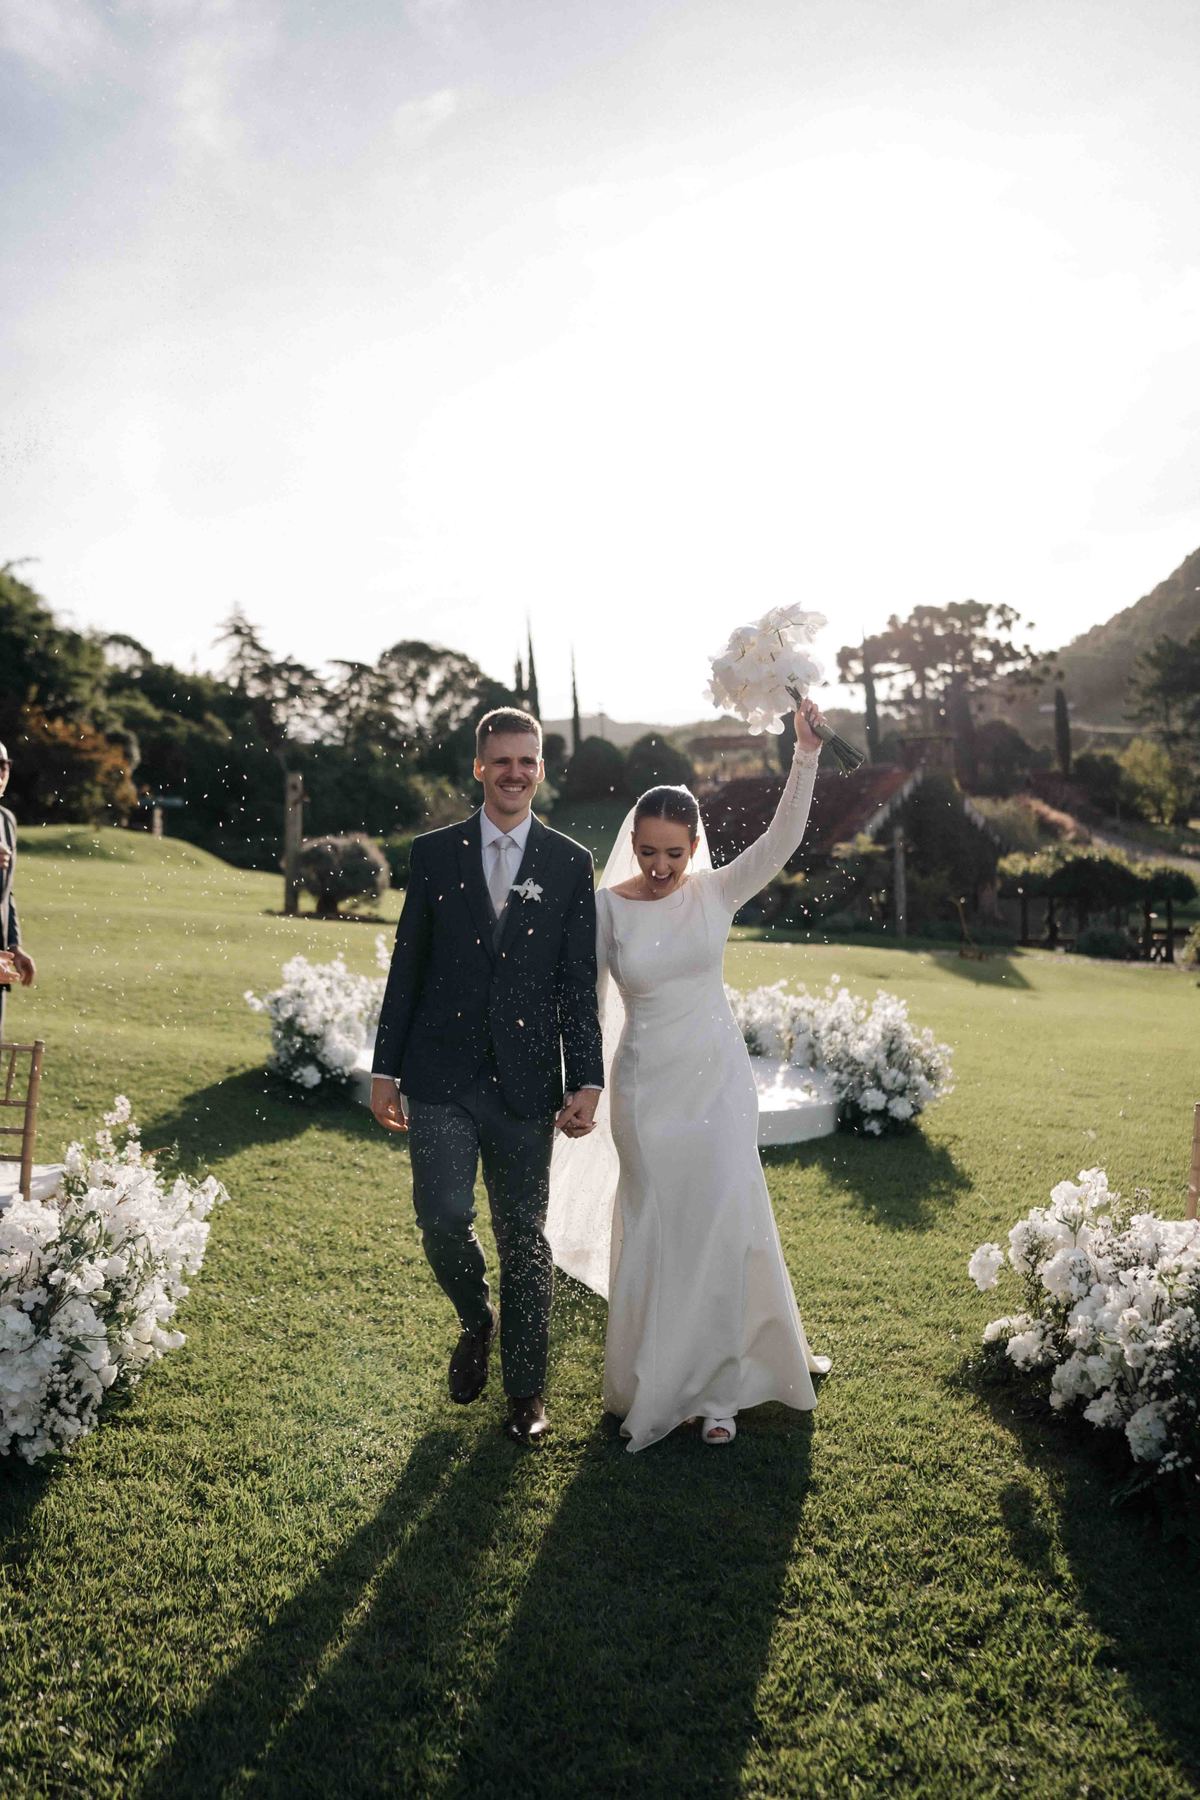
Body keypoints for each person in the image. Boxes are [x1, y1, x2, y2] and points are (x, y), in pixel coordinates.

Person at [546, 697, 831, 1452]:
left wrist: (804, 754)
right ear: (632, 843)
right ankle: (657, 1382)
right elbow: (585, 1007)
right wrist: (579, 1087)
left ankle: (720, 1390)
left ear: (695, 845)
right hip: (645, 1091)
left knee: (724, 1224)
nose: (661, 867)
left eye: (674, 853)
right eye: (648, 852)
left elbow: (782, 839)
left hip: (719, 1085)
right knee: (659, 1231)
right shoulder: (606, 910)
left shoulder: (716, 892)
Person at [370, 707, 604, 1446]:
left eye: (527, 761)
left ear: (541, 769)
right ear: (478, 768)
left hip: (527, 1081)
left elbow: (576, 982)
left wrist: (587, 1078)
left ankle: (527, 1393)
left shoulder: (570, 862)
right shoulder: (434, 853)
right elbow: (408, 964)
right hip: (439, 1073)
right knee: (442, 1216)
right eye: (501, 760)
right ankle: (478, 1318)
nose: (514, 773)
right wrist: (384, 1068)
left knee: (523, 1236)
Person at [0, 742, 37, 1040]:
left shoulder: (6, 821)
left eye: (3, 766)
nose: (0, 773)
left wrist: (13, 944)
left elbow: (6, 894)